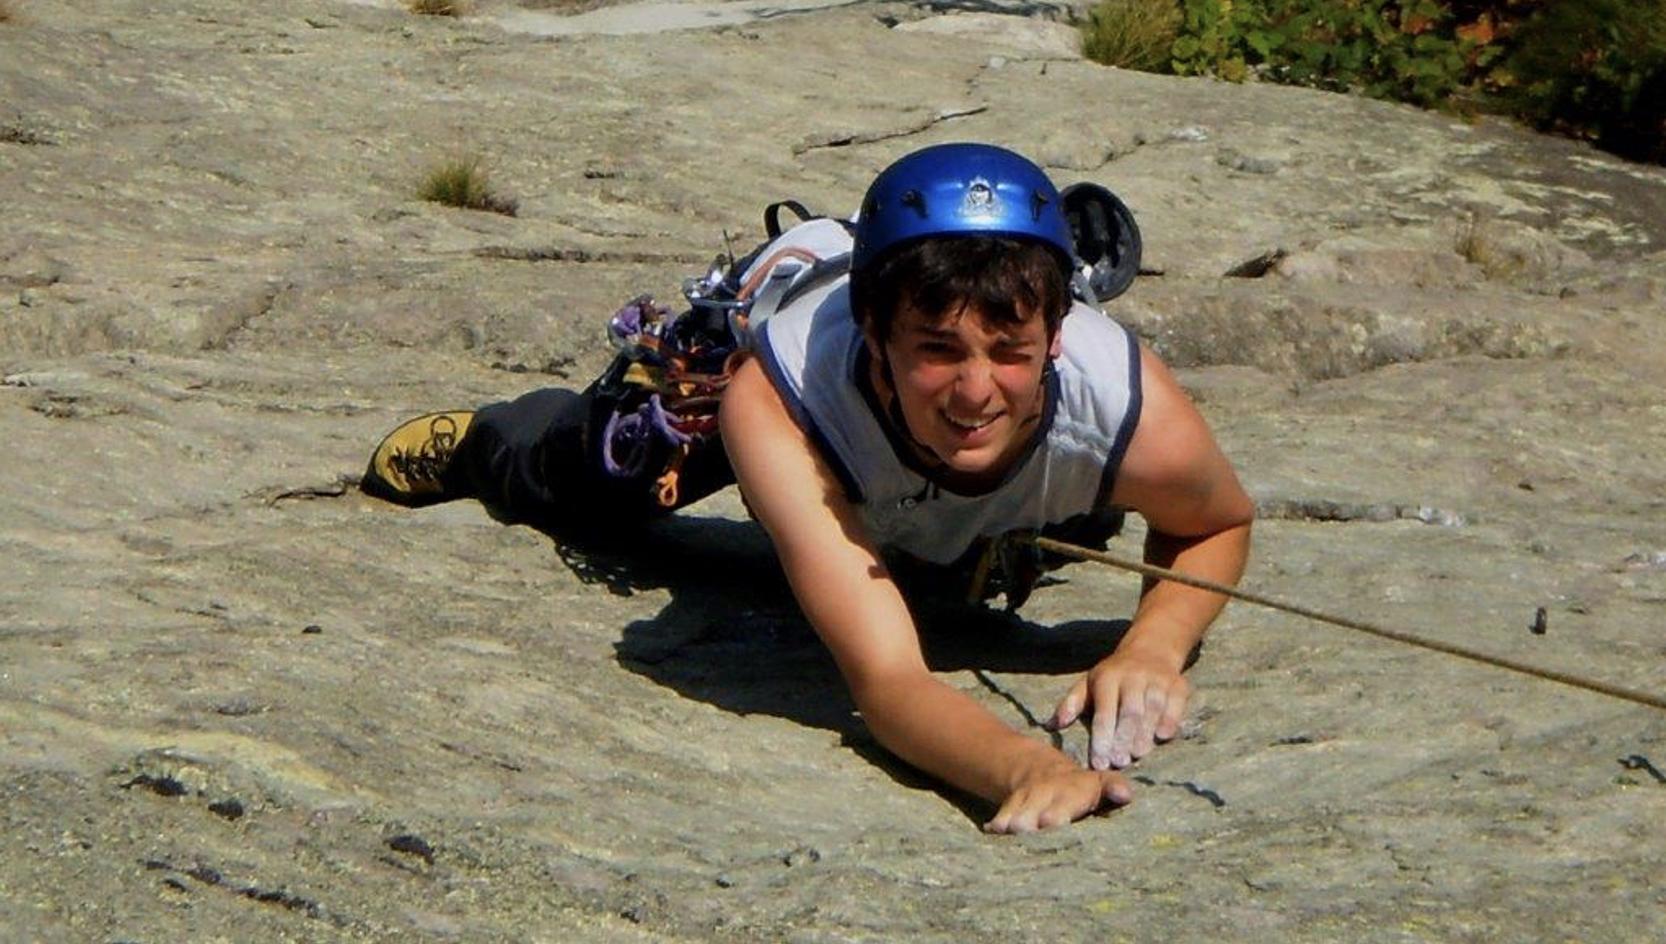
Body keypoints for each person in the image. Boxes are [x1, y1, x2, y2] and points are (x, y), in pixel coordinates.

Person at [362, 143, 1254, 833]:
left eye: (1010, 354)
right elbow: (889, 680)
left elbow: (1214, 523)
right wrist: (1026, 768)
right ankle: (489, 443)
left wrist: (1152, 647)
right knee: (600, 480)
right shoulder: (781, 397)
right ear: (874, 331)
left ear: (1058, 334)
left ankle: (973, 525)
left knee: (957, 558)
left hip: (916, 446)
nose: (976, 389)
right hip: (776, 371)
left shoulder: (1123, 400)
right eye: (937, 350)